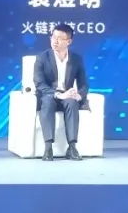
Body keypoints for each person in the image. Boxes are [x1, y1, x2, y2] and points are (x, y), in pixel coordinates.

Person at [32, 24, 89, 160]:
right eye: (53, 37)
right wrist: (58, 94)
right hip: (49, 95)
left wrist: (78, 95)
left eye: (59, 38)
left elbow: (84, 84)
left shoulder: (76, 59)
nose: (55, 41)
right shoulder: (42, 58)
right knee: (48, 101)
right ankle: (48, 148)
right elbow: (39, 84)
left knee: (72, 102)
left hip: (67, 96)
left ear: (68, 41)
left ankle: (72, 147)